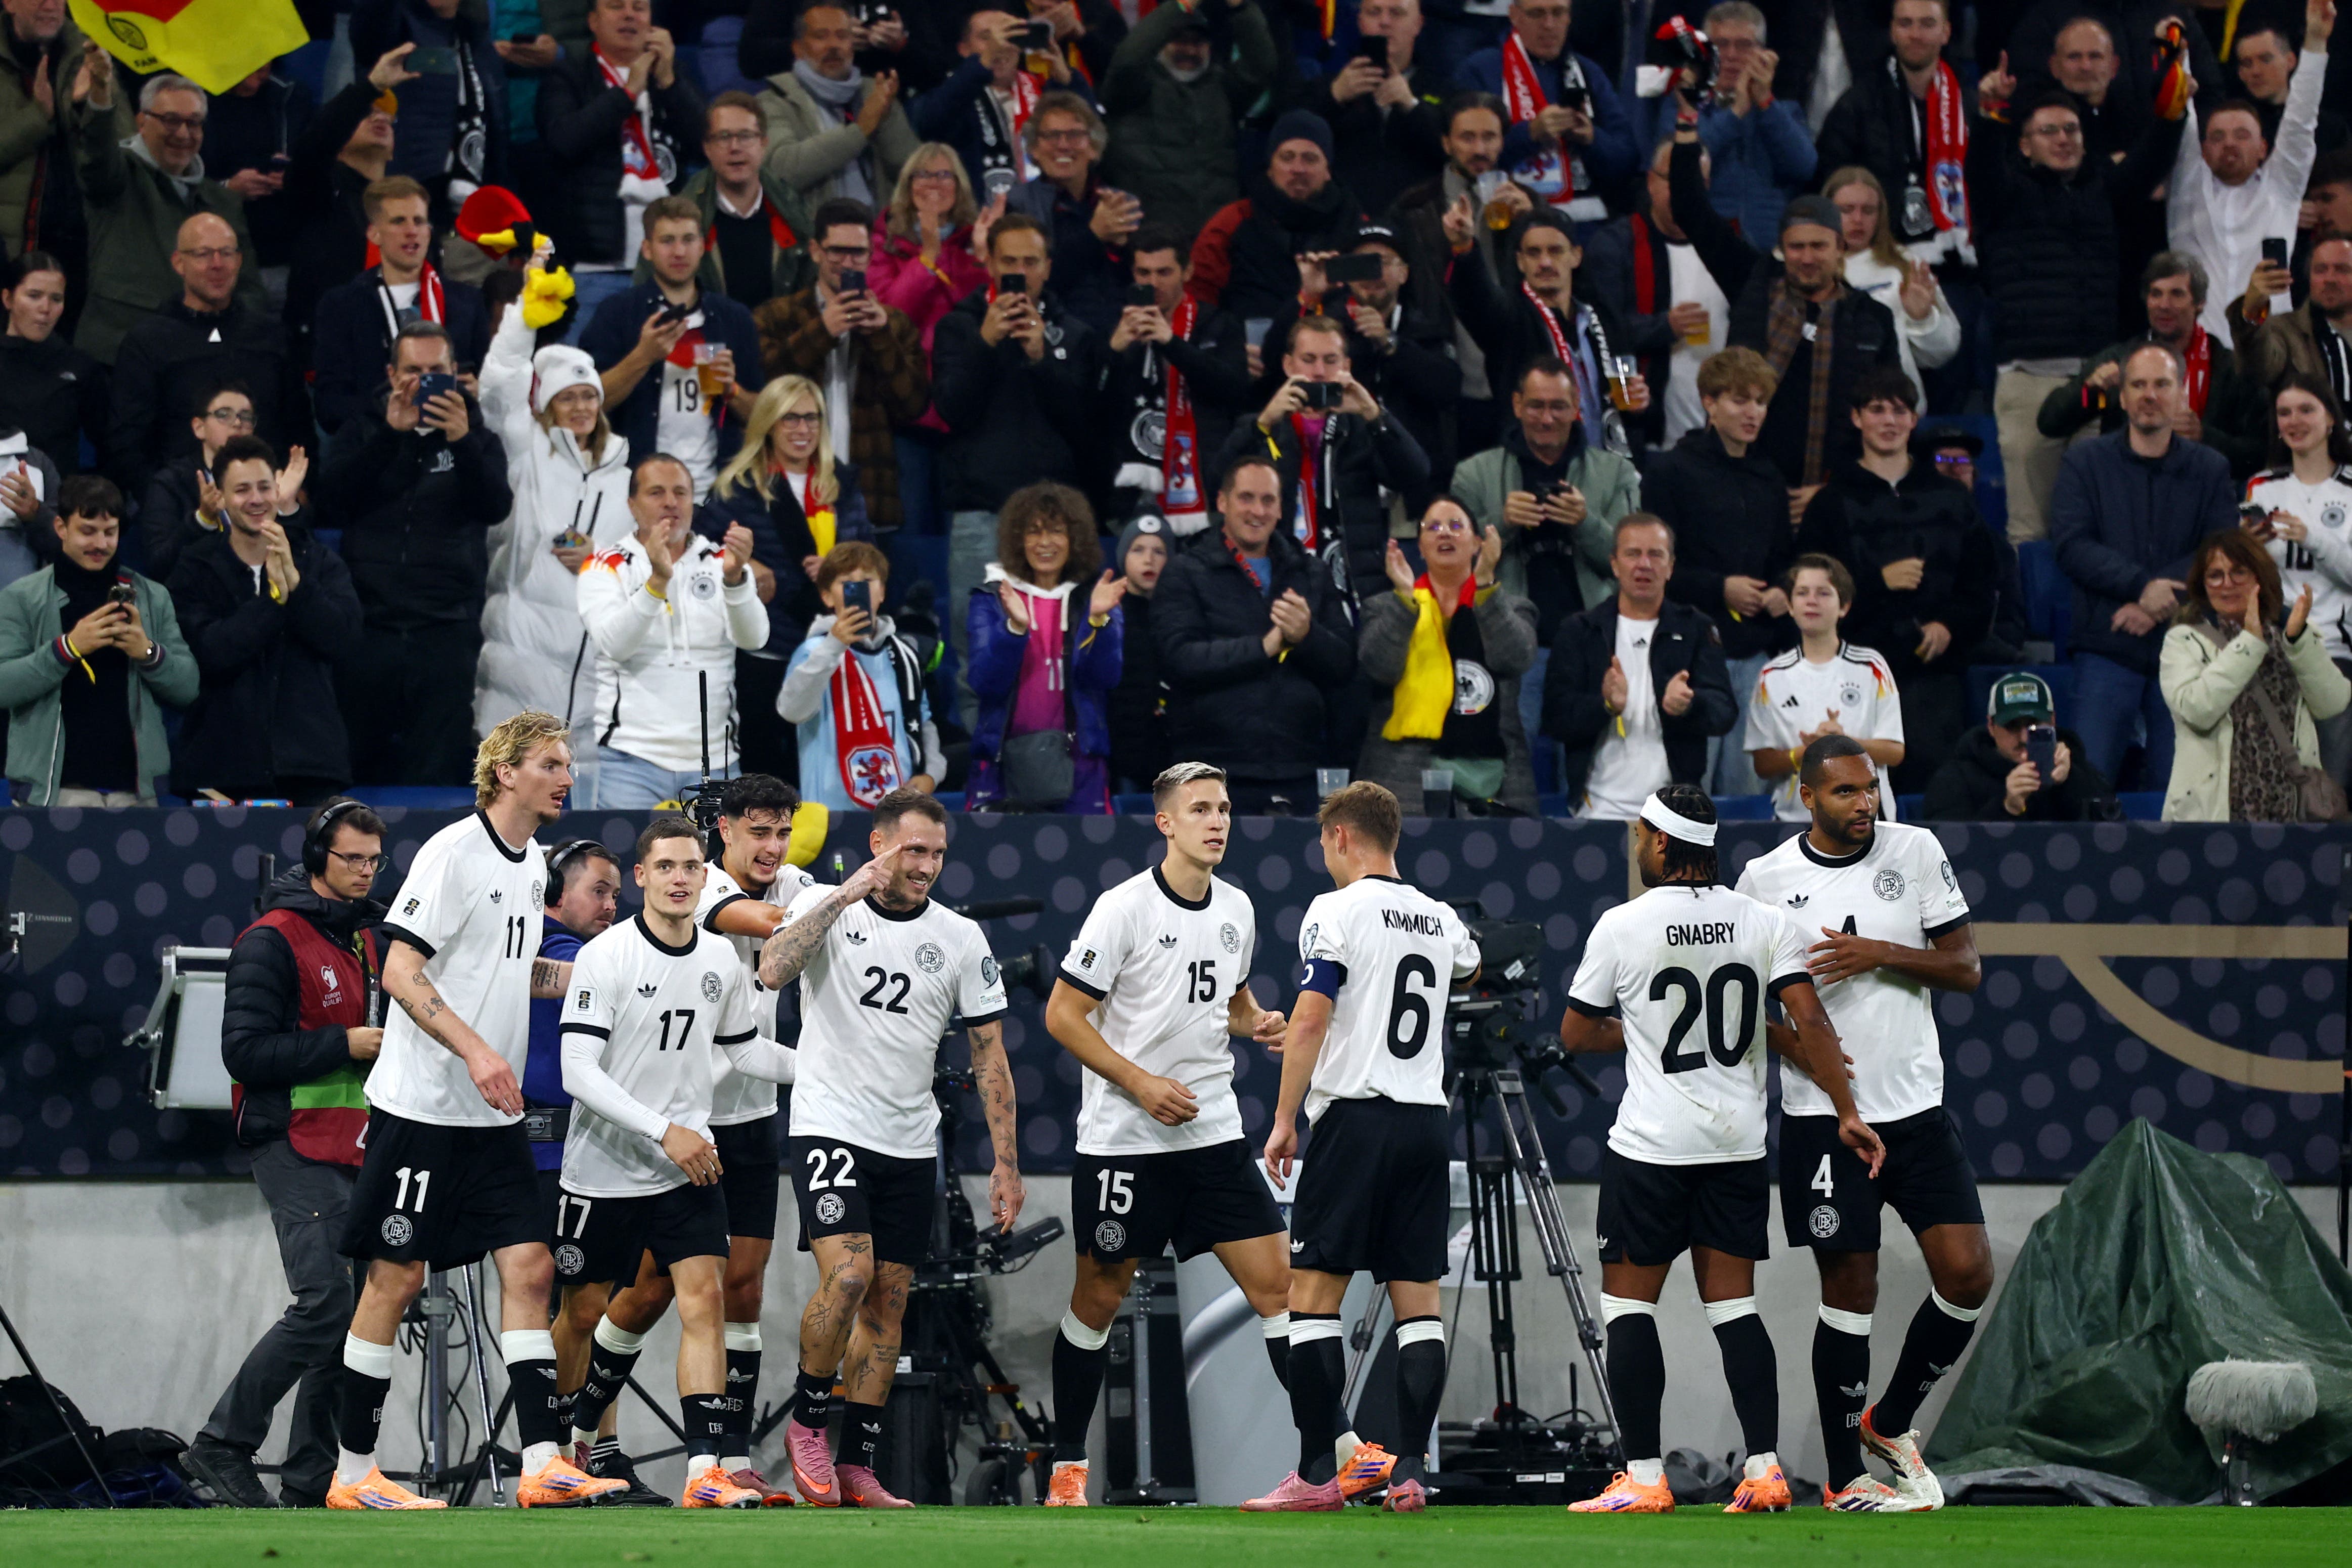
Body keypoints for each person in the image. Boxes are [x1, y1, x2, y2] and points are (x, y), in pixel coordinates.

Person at [327, 711, 627, 1511]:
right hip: (422, 1110)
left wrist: (603, 989)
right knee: (394, 1278)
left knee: (530, 1271)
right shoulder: (452, 853)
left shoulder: (533, 863)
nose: (567, 776)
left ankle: (540, 1462)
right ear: (506, 774)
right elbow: (401, 971)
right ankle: (353, 1474)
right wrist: (479, 1052)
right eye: (552, 764)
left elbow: (507, 966)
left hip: (491, 1119)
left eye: (568, 763)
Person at [1558, 783, 1875, 1515]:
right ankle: (1763, 1469)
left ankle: (1642, 1479)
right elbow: (1809, 1022)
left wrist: (1638, 1034)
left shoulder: (1621, 924)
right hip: (1735, 1148)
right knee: (1734, 1309)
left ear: (1662, 844)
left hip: (1650, 1148)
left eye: (1641, 834)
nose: (1638, 844)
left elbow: (1575, 1035)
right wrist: (1847, 1111)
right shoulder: (1765, 921)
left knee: (1627, 1310)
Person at [1734, 735, 1990, 1511]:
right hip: (1821, 1122)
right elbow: (1744, 1006)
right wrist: (1799, 1053)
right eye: (1844, 793)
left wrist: (1876, 952)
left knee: (1969, 1273)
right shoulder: (1764, 879)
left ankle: (1891, 1422)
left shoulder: (1914, 851)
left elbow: (1965, 968)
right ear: (1806, 797)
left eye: (1869, 789)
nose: (1863, 805)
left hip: (1914, 1109)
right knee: (1849, 1290)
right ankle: (1844, 1478)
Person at [756, 788, 1019, 1508]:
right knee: (847, 1277)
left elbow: (990, 1055)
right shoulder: (828, 910)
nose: (926, 865)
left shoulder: (961, 937)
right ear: (878, 846)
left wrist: (1006, 1163)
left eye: (936, 853)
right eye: (913, 850)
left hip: (909, 1140)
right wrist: (841, 898)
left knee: (888, 1302)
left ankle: (857, 1465)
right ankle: (808, 1423)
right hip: (830, 1125)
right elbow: (772, 969)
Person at [1041, 760, 1292, 1506]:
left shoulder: (1238, 909)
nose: (1217, 822)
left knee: (1279, 1287)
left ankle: (1334, 1452)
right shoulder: (1122, 909)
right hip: (1126, 1142)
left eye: (1223, 809)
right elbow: (1061, 1014)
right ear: (1166, 823)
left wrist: (1258, 1025)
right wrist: (1140, 1083)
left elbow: (1232, 1003)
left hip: (1212, 1136)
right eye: (1201, 810)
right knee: (1098, 1296)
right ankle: (1065, 1468)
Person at [553, 816, 803, 1509]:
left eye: (690, 867)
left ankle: (704, 1472)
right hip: (605, 1167)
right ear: (641, 877)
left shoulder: (722, 960)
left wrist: (830, 1074)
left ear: (703, 875)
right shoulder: (608, 957)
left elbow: (746, 1051)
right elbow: (578, 1070)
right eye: (664, 867)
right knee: (581, 1316)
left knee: (703, 1304)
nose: (678, 879)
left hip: (687, 1168)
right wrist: (664, 1131)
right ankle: (553, 1448)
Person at [1249, 780, 1482, 1512]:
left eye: (1324, 842)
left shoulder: (1335, 909)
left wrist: (1285, 1117)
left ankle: (1318, 1474)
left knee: (1310, 1300)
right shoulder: (1437, 916)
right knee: (1419, 1307)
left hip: (1354, 1121)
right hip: (1423, 1121)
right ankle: (1410, 1469)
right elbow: (1471, 967)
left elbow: (1312, 1018)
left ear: (1342, 837)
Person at [177, 800, 385, 1509]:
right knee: (326, 1304)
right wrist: (345, 1044)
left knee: (349, 1317)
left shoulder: (367, 937)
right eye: (351, 858)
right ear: (317, 857)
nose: (364, 872)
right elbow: (242, 1053)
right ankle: (222, 1447)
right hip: (291, 1140)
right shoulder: (271, 938)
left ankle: (311, 1480)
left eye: (373, 860)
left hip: (352, 1143)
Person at [1969, 73, 2188, 542]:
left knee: (2099, 526)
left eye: (2072, 129)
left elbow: (2148, 164)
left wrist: (2171, 114)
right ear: (2024, 145)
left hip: (2101, 381)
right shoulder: (2005, 195)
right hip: (2030, 379)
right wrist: (1991, 114)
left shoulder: (2103, 188)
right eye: (2049, 131)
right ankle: (2032, 617)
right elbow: (1982, 170)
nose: (2064, 139)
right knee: (2031, 527)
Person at [318, 319, 515, 788]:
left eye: (435, 370)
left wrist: (461, 442)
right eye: (413, 370)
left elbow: (495, 506)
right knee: (356, 771)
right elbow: (329, 503)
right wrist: (389, 435)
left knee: (437, 773)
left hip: (445, 632)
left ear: (454, 372)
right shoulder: (364, 429)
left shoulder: (477, 435)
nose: (423, 382)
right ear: (391, 375)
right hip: (369, 630)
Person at [1667, 124, 1902, 500]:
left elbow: (1887, 414)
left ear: (1840, 247)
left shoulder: (1872, 319)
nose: (1807, 258)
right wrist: (1685, 129)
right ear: (1781, 248)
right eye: (1796, 247)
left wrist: (1833, 492)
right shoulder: (1753, 281)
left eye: (1818, 246)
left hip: (1832, 496)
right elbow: (1690, 209)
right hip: (1745, 488)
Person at [1794, 367, 1996, 790]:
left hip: (1935, 681)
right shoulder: (1831, 504)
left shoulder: (1953, 498)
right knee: (1854, 798)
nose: (1889, 421)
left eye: (1899, 410)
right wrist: (1876, 581)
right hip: (1851, 678)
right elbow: (1808, 594)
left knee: (1935, 798)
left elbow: (1981, 585)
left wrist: (1948, 627)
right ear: (1857, 418)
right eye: (1877, 409)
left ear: (1914, 419)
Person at [2049, 342, 2240, 788]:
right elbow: (2072, 544)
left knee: (2183, 796)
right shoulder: (2085, 462)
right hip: (2107, 643)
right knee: (2085, 789)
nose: (2149, 395)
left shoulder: (2211, 468)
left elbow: (2221, 549)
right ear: (2122, 398)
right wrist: (2141, 586)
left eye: (2161, 384)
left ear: (2181, 394)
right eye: (2138, 385)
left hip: (2188, 648)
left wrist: (2157, 600)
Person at [518, 837, 645, 1499]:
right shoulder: (542, 947)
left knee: (595, 1307)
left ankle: (596, 1451)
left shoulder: (588, 956)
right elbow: (558, 972)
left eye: (617, 894)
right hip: (540, 1161)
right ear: (553, 896)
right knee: (566, 1308)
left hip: (600, 1156)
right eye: (598, 891)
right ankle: (560, 1453)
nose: (611, 905)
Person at [474, 247, 633, 759]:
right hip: (521, 667)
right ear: (547, 405)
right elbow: (502, 381)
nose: (582, 407)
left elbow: (643, 565)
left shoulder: (625, 477)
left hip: (594, 681)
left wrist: (598, 556)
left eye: (589, 396)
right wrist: (523, 311)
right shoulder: (526, 452)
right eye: (568, 397)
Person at [932, 213, 1102, 676]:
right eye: (1010, 261)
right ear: (989, 263)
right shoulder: (959, 328)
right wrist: (985, 344)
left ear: (1048, 266)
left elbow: (1086, 428)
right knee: (977, 650)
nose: (1021, 273)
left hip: (1055, 518)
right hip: (981, 513)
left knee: (1058, 648)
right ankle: (982, 749)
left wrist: (1041, 359)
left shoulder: (1077, 334)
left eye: (1031, 261)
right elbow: (950, 411)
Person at [1151, 457, 1357, 813]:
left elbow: (1344, 664)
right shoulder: (1184, 572)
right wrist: (1264, 647)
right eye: (1246, 498)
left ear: (1281, 508)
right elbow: (1179, 659)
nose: (1257, 511)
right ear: (1222, 502)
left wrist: (1307, 636)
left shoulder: (1311, 572)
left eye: (1268, 500)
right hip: (1210, 774)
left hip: (1300, 768)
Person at [165, 437, 359, 804]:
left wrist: (297, 586)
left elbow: (344, 640)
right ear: (219, 498)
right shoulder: (194, 567)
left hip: (310, 768)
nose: (255, 499)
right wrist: (276, 597)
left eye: (264, 487)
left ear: (279, 491)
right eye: (241, 490)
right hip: (220, 770)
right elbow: (210, 653)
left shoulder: (318, 562)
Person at [703, 375, 875, 778]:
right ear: (769, 424)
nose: (803, 430)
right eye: (790, 419)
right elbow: (702, 552)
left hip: (832, 648)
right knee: (767, 776)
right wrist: (745, 566)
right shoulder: (737, 488)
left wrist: (839, 565)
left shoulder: (843, 485)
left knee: (831, 771)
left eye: (812, 419)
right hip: (766, 652)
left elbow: (871, 558)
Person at [575, 454, 765, 808]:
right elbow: (614, 644)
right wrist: (657, 582)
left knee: (715, 865)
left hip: (716, 763)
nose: (670, 503)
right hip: (630, 760)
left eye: (681, 492)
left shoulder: (723, 562)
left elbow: (754, 639)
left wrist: (736, 581)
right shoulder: (605, 565)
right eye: (656, 493)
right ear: (632, 505)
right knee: (624, 863)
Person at [1648, 346, 1795, 795]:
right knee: (1690, 793)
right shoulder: (1671, 471)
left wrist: (1781, 591)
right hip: (1690, 653)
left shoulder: (1769, 477)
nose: (1753, 413)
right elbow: (1657, 569)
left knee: (1747, 793)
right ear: (1709, 402)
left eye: (1760, 402)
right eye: (1739, 400)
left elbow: (1782, 559)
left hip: (1753, 654)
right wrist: (1721, 588)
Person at [0, 475, 196, 805]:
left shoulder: (153, 597)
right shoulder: (21, 597)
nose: (101, 544)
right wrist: (68, 648)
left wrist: (148, 653)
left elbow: (188, 687)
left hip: (134, 794)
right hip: (51, 793)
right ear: (61, 528)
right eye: (88, 531)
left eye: (110, 532)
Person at [1217, 314, 1431, 608]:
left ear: (1347, 367)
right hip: (1280, 584)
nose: (1319, 372)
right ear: (1288, 365)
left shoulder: (1363, 427)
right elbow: (1218, 480)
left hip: (1356, 586)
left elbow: (1415, 474)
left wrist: (1374, 414)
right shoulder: (1262, 426)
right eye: (1309, 359)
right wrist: (1265, 423)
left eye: (1330, 360)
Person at [71, 61, 270, 365]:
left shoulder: (222, 200)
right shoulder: (119, 176)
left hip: (198, 358)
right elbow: (96, 156)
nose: (183, 133)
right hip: (116, 354)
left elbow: (249, 289)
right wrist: (100, 94)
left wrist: (222, 334)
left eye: (194, 123)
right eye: (170, 120)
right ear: (141, 122)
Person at [1543, 514, 1736, 819]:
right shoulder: (1580, 630)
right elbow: (1555, 719)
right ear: (1615, 564)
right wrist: (1604, 705)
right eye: (1633, 554)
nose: (1644, 564)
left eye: (1656, 555)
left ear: (1671, 566)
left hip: (1675, 815)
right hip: (1596, 810)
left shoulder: (1697, 628)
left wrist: (1689, 705)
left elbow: (1724, 712)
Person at [752, 197, 929, 532]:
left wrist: (880, 338)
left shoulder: (893, 323)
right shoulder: (776, 316)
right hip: (790, 494)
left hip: (870, 499)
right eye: (837, 251)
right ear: (816, 251)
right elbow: (762, 395)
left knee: (869, 587)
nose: (848, 263)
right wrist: (822, 331)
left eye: (858, 253)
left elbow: (913, 406)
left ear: (870, 256)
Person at [1358, 496, 1540, 815]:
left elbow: (1517, 657)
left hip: (1499, 783)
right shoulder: (1386, 607)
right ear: (1421, 545)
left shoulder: (1512, 607)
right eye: (1434, 527)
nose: (1445, 534)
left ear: (1478, 543)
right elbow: (1379, 667)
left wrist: (1484, 587)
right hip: (1403, 782)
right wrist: (1405, 602)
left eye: (1456, 526)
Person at [106, 211, 305, 502]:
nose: (217, 265)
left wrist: (299, 488)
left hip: (267, 502)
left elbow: (297, 423)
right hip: (180, 504)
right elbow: (126, 442)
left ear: (239, 261)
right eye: (203, 254)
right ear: (178, 263)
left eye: (226, 254)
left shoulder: (270, 336)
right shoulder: (148, 342)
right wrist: (162, 499)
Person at [2166, 0, 2331, 345]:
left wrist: (2315, 43)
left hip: (2272, 350)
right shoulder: (2188, 189)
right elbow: (2182, 116)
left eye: (2242, 136)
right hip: (2199, 355)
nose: (2229, 144)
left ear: (2263, 149)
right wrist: (2174, 57)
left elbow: (2301, 118)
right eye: (2218, 137)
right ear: (2204, 149)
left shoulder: (2281, 188)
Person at [2159, 526, 2352, 818]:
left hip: (2291, 810)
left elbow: (2333, 704)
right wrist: (2249, 642)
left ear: (2259, 577)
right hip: (2216, 814)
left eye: (2238, 572)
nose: (2227, 584)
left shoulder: (2291, 634)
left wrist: (2299, 642)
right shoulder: (2184, 639)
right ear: (2203, 584)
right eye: (2215, 575)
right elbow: (2197, 710)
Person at [536, 0, 708, 326]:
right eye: (616, 6)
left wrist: (670, 82)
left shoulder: (672, 78)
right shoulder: (569, 76)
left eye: (640, 8)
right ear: (593, 21)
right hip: (595, 268)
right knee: (592, 374)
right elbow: (563, 140)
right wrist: (626, 94)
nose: (630, 14)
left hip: (669, 270)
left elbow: (708, 144)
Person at [583, 195, 765, 501]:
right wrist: (643, 357)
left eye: (688, 240)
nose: (679, 251)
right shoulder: (617, 313)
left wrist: (731, 390)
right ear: (647, 249)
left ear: (702, 246)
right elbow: (589, 404)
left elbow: (761, 416)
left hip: (717, 493)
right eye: (667, 241)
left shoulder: (734, 318)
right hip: (635, 492)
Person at [2036, 250, 2271, 479]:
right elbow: (2051, 423)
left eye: (2177, 294)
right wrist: (2090, 392)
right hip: (2129, 492)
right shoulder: (2120, 360)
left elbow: (2259, 454)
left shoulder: (2231, 368)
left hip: (2204, 498)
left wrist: (2204, 437)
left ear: (2199, 303)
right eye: (2156, 294)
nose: (2164, 305)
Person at [1441, 202, 1649, 459]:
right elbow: (1477, 300)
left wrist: (1637, 404)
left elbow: (1625, 396)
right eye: (1534, 253)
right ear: (1520, 261)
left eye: (1555, 251)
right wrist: (1464, 248)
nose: (1545, 262)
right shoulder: (1510, 320)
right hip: (1540, 468)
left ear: (1576, 256)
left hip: (1607, 467)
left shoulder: (1604, 319)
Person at [966, 482, 1125, 813]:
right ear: (1017, 539)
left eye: (1056, 531)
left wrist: (1097, 620)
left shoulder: (1097, 598)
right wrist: (1015, 629)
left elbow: (1106, 676)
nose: (1045, 543)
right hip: (1001, 767)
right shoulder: (992, 598)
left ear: (1075, 539)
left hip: (1081, 768)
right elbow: (985, 682)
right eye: (1033, 532)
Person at [1450, 358, 1637, 641]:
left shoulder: (1616, 473)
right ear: (1517, 405)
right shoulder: (1474, 474)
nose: (1547, 419)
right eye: (1536, 406)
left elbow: (1632, 565)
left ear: (1576, 407)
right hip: (1508, 641)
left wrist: (1586, 523)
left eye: (1558, 407)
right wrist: (1503, 523)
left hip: (1594, 639)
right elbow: (1452, 563)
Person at [1388, 93, 1526, 453]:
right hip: (1444, 381)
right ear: (1446, 142)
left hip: (1515, 382)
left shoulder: (1528, 207)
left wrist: (1535, 220)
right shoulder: (1413, 209)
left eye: (1490, 137)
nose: (1479, 149)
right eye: (1467, 138)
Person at [311, 176, 493, 435]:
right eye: (399, 221)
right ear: (374, 233)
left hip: (451, 448)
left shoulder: (467, 302)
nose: (412, 230)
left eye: (419, 221)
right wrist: (391, 409)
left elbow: (491, 384)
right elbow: (330, 405)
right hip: (378, 451)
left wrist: (480, 392)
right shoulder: (342, 306)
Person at [1103, 226, 1252, 529]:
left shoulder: (1218, 324)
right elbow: (1094, 405)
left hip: (1201, 482)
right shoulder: (1116, 329)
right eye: (1144, 273)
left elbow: (1234, 390)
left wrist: (1171, 344)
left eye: (1164, 272)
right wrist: (1114, 353)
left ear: (1188, 271)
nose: (1153, 283)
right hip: (1134, 488)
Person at [1578, 137, 1721, 450]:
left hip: (1716, 426)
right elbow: (1601, 333)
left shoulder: (1727, 247)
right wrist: (1665, 327)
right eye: (1675, 181)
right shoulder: (1615, 246)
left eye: (1694, 182)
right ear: (1651, 182)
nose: (1684, 192)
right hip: (1644, 429)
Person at [2244, 373, 2352, 780]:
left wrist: (2313, 538)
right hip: (2271, 649)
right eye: (2284, 413)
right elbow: (2247, 581)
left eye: (2307, 410)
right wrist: (2245, 549)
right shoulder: (2261, 488)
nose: (2295, 421)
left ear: (2330, 420)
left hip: (2336, 652)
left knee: (2329, 787)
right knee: (2270, 781)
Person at [1099, 0, 1276, 246]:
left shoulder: (1224, 89)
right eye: (1179, 41)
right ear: (1159, 43)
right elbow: (1128, 60)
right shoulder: (1132, 89)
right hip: (1150, 243)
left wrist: (1241, 9)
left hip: (1215, 241)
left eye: (1199, 43)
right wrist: (1179, 6)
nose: (1190, 51)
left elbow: (1262, 66)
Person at [283, 46, 417, 368]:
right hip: (332, 367)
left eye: (388, 116)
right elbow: (313, 147)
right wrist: (368, 88)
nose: (381, 117)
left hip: (402, 367)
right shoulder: (317, 186)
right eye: (368, 112)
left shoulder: (410, 205)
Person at [779, 541, 941, 808]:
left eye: (868, 580)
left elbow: (924, 724)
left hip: (895, 814)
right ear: (827, 597)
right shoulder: (813, 651)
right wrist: (833, 646)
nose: (860, 589)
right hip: (830, 813)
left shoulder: (904, 656)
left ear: (882, 593)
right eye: (847, 583)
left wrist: (931, 775)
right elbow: (792, 710)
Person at [1814, 0, 1975, 267]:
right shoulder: (1857, 104)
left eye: (1927, 24)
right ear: (1892, 32)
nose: (1915, 34)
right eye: (1905, 23)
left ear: (1946, 32)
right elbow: (1829, 183)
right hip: (1881, 257)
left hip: (1960, 258)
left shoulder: (1968, 106)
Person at [1745, 554, 1904, 821]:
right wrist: (1805, 754)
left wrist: (1842, 745)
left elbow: (1895, 752)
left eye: (1824, 593)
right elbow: (1763, 764)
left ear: (1844, 606)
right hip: (1794, 822)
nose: (1812, 601)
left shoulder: (1872, 666)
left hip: (1866, 821)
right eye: (1802, 592)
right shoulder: (1771, 675)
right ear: (1791, 606)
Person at [1458, 0, 1640, 226]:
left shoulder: (1588, 72)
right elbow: (1465, 156)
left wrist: (1592, 139)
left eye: (1558, 13)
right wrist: (1530, 134)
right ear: (1514, 15)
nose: (1549, 24)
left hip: (1588, 226)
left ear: (1570, 16)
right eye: (1537, 14)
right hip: (1509, 221)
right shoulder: (1482, 70)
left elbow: (1628, 161)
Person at [1198, 111, 1367, 325]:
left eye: (1310, 159)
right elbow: (1199, 295)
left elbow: (1375, 294)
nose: (1298, 169)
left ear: (1328, 170)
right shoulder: (1234, 221)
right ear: (1270, 167)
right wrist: (1226, 345)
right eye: (1287, 158)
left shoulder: (1356, 224)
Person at [348, 0, 509, 214]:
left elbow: (496, 125)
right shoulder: (391, 25)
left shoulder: (476, 39)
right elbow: (369, 34)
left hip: (470, 188)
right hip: (406, 189)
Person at [755, 2, 919, 209]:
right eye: (821, 36)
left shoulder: (875, 93)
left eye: (842, 36)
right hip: (811, 236)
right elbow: (782, 172)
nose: (833, 45)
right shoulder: (773, 102)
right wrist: (859, 131)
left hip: (878, 234)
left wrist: (883, 119)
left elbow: (912, 170)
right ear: (798, 49)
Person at [1296, 0, 1449, 221]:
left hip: (1419, 223)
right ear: (1360, 22)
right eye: (1374, 13)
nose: (1384, 22)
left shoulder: (1444, 89)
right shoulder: (1326, 87)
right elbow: (1292, 140)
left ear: (1419, 23)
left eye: (1397, 13)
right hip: (1340, 221)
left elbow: (1455, 151)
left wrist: (1412, 106)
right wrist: (1334, 98)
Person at [1823, 166, 1961, 407]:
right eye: (1846, 210)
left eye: (1868, 211)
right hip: (1824, 407)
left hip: (1896, 412)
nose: (1858, 220)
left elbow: (1942, 353)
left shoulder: (1906, 265)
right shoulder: (1800, 266)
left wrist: (1923, 319)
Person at [673, 90, 816, 314]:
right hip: (708, 345)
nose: (735, 147)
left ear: (764, 144)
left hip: (781, 343)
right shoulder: (678, 218)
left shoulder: (795, 213)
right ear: (707, 149)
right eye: (723, 137)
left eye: (746, 136)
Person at [1005, 91, 1131, 337]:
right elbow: (1035, 283)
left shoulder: (1119, 202)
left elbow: (1142, 280)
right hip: (1051, 335)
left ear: (1094, 147)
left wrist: (1125, 249)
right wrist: (1094, 236)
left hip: (1119, 334)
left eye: (1075, 135)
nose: (1063, 145)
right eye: (1052, 136)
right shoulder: (1020, 204)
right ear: (1035, 150)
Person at [1693, 4, 1819, 244]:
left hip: (1769, 250)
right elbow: (1684, 164)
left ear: (1762, 53)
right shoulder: (1685, 104)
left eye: (1743, 45)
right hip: (1703, 247)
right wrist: (1736, 112)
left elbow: (1805, 167)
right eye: (1721, 44)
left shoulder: (1784, 110)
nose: (1731, 55)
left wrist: (1765, 103)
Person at [1923, 670, 2116, 820]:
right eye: (2012, 726)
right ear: (1991, 726)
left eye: (2035, 725)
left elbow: (2113, 836)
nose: (2025, 738)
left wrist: (2071, 781)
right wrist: (2007, 808)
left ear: (2053, 722)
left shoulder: (2080, 769)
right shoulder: (1957, 779)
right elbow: (1949, 852)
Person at [870, 141, 992, 357]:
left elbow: (984, 314)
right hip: (907, 366)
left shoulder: (974, 238)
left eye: (945, 175)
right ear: (908, 186)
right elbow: (890, 315)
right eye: (923, 175)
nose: (934, 184)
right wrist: (928, 256)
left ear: (959, 186)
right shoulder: (883, 242)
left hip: (966, 362)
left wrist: (983, 257)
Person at [0, 253, 106, 491]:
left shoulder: (81, 368)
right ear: (8, 299)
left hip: (56, 507)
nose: (45, 309)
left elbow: (108, 443)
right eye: (34, 296)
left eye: (56, 299)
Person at [0, 0, 88, 263]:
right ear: (9, 3)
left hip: (82, 256)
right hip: (10, 257)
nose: (51, 5)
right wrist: (38, 116)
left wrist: (94, 109)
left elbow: (117, 169)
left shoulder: (88, 57)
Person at [2232, 232, 2352, 402]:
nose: (2330, 279)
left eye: (2342, 270)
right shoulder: (2283, 330)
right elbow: (2257, 369)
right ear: (2308, 276)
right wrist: (2253, 310)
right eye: (2321, 270)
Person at [2232, 19, 2351, 155]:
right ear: (2240, 73)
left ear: (2290, 61)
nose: (2256, 71)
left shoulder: (2330, 128)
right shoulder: (2233, 131)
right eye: (2247, 63)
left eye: (2266, 59)